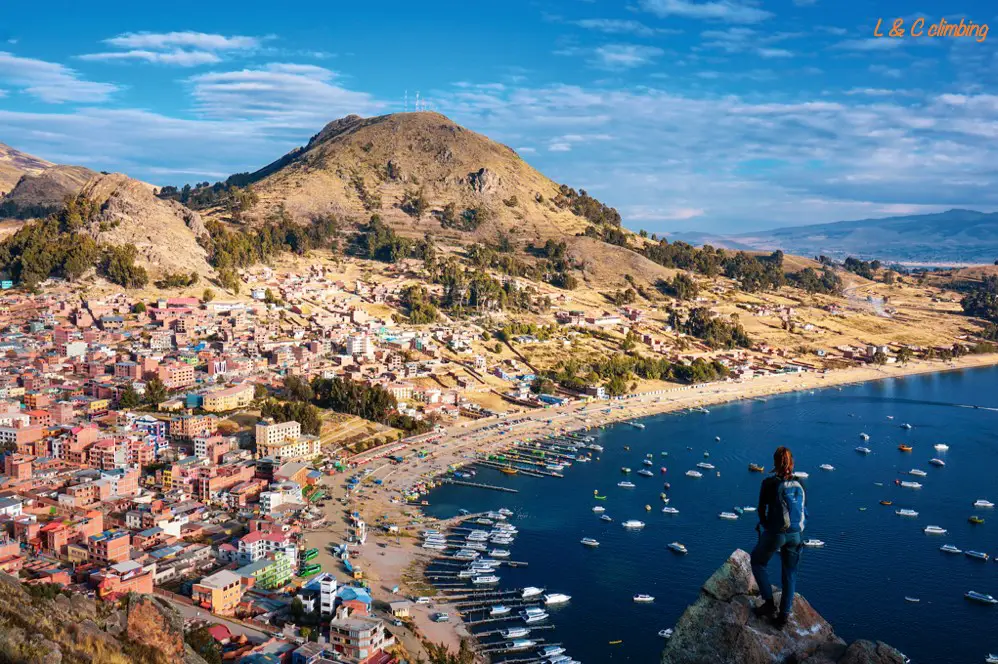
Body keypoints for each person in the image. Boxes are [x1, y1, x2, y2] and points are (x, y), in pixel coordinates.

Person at [751, 445, 807, 629]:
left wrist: (766, 525)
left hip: (776, 533)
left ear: (775, 462)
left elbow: (761, 510)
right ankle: (783, 616)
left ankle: (768, 603)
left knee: (758, 562)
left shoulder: (769, 483)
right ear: (792, 463)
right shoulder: (800, 483)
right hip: (796, 535)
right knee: (790, 574)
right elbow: (802, 511)